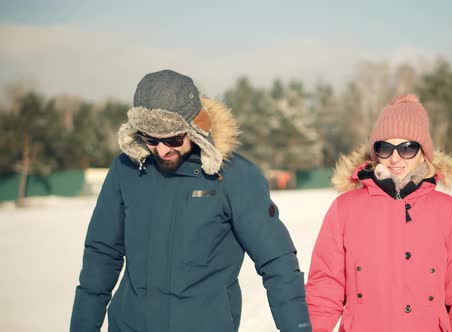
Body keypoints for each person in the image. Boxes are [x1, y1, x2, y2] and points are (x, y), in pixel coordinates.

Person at [70, 70, 312, 332]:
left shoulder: (233, 178)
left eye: (174, 138)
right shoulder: (126, 171)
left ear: (196, 127)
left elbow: (278, 264)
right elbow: (101, 257)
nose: (162, 150)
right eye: (151, 139)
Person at [305, 95, 452, 331]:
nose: (395, 158)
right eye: (386, 148)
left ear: (424, 152)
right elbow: (325, 288)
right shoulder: (344, 209)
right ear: (375, 152)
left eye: (407, 148)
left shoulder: (451, 213)